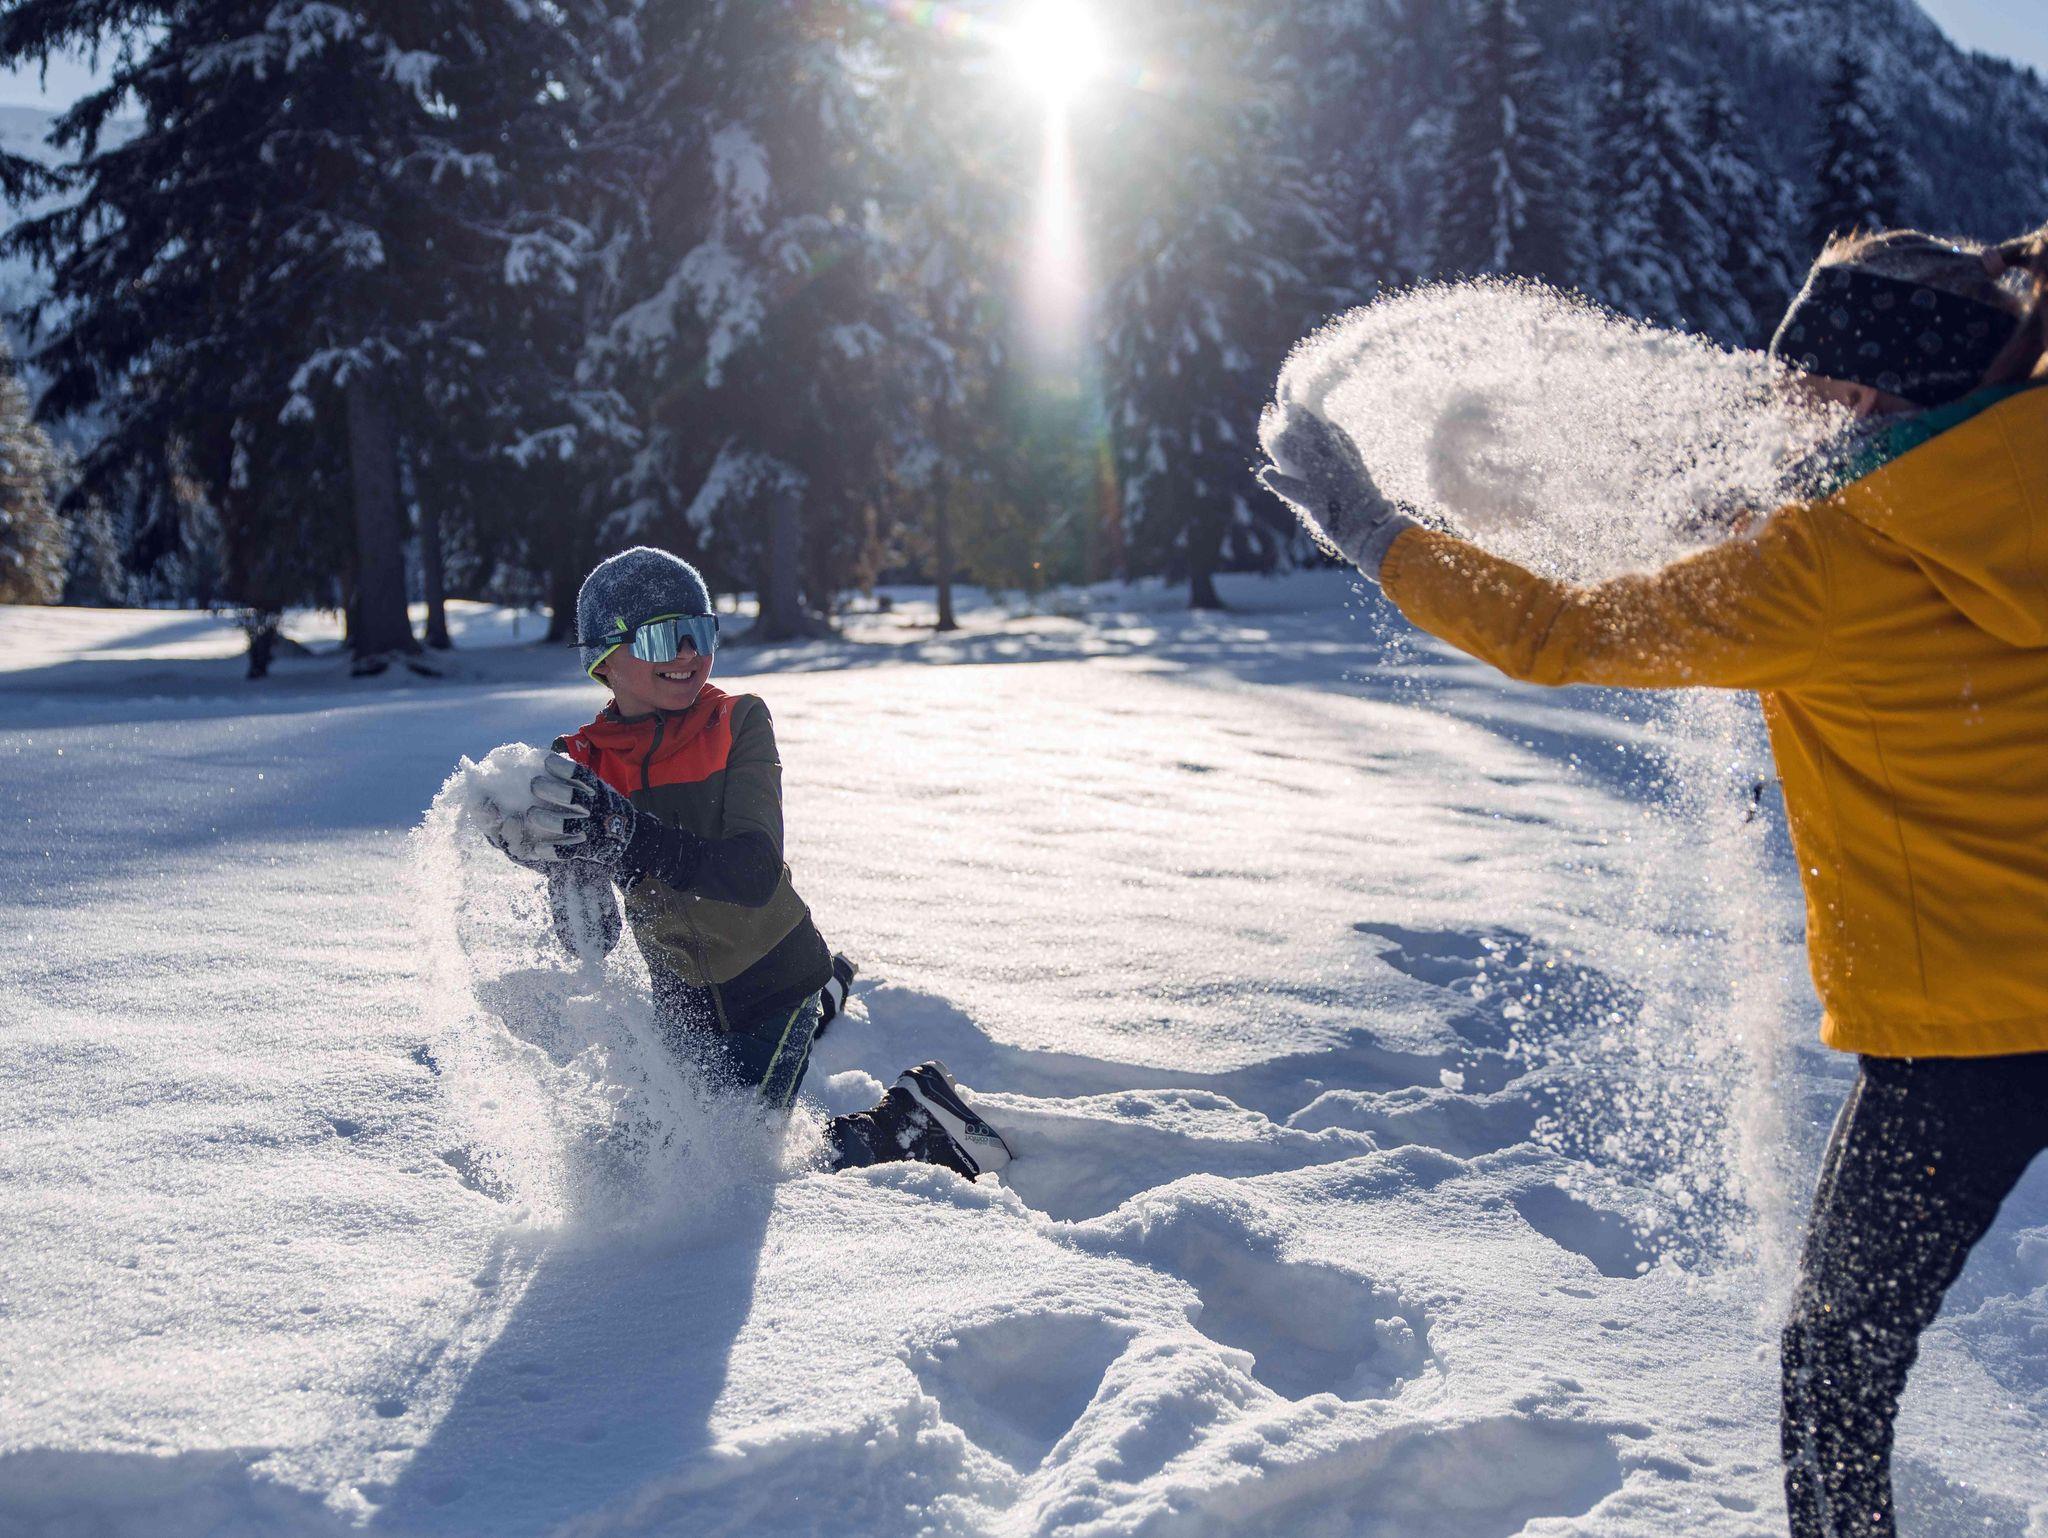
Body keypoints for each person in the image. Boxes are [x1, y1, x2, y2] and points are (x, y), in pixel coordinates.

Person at [1259, 224, 2048, 1538]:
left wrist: (1376, 531)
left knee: (1836, 1360)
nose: (1781, 407)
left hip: (1963, 1040)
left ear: (1867, 389)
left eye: (1803, 383)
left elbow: (1559, 632)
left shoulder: (1825, 571)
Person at [485, 545, 1013, 1180]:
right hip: (679, 998)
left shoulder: (737, 722)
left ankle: (914, 1120)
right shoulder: (581, 762)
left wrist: (625, 832)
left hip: (772, 982)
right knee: (658, 1154)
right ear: (605, 658)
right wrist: (563, 867)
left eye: (700, 631)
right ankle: (831, 1003)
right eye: (663, 636)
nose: (688, 652)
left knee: (730, 1167)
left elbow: (753, 871)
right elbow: (592, 940)